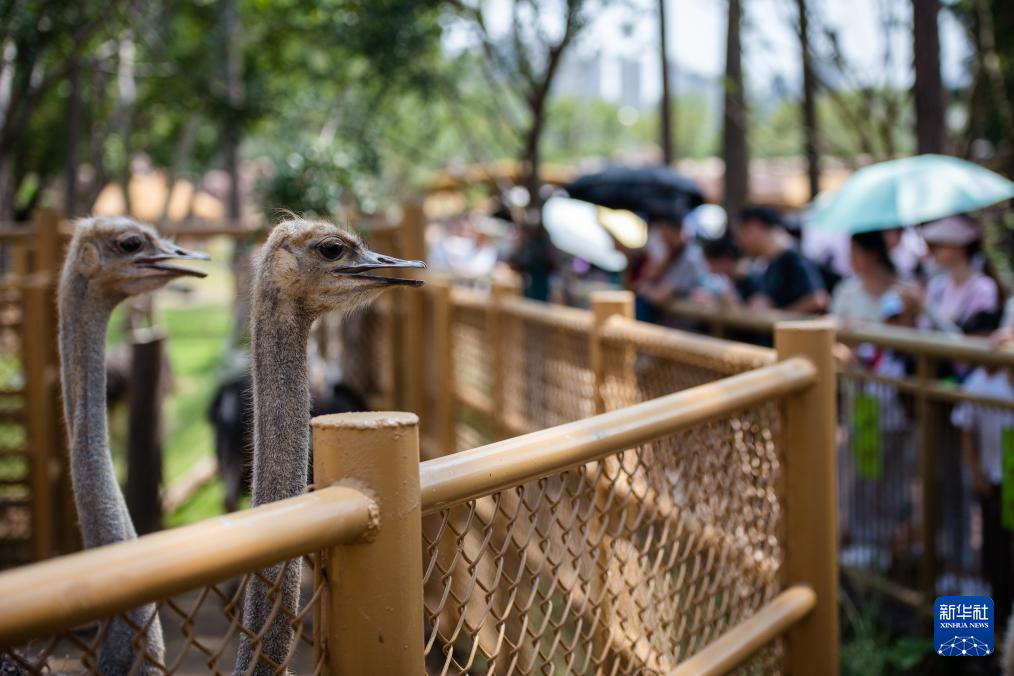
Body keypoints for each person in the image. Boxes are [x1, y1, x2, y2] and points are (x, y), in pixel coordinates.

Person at [950, 310, 1014, 616]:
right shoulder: (980, 381)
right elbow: (966, 429)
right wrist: (975, 471)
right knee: (992, 557)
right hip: (993, 480)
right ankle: (980, 641)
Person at [904, 216, 1001, 333]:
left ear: (958, 246)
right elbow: (924, 331)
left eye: (937, 245)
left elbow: (969, 340)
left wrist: (925, 307)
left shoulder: (983, 288)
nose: (930, 251)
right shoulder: (937, 285)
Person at [734, 205, 828, 312]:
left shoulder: (795, 259)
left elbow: (818, 299)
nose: (739, 242)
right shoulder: (769, 262)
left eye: (742, 234)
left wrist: (780, 315)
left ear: (756, 228)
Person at [634, 212, 708, 322]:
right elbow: (648, 277)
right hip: (671, 323)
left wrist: (644, 289)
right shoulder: (674, 253)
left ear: (676, 232)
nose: (661, 237)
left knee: (640, 304)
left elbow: (660, 296)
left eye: (664, 232)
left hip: (688, 328)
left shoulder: (690, 256)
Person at [830, 231, 903, 323]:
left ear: (873, 254)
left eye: (855, 251)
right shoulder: (846, 291)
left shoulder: (904, 291)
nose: (851, 257)